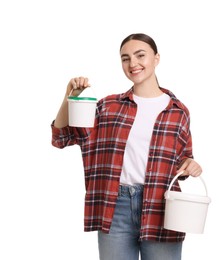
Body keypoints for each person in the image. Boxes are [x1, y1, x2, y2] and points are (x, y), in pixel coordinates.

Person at [51, 33, 202, 260]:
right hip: (115, 206)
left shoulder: (179, 111)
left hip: (162, 207)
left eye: (140, 55)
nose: (133, 64)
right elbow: (61, 138)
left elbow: (183, 162)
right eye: (125, 58)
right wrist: (69, 96)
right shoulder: (108, 107)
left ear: (156, 58)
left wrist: (191, 165)